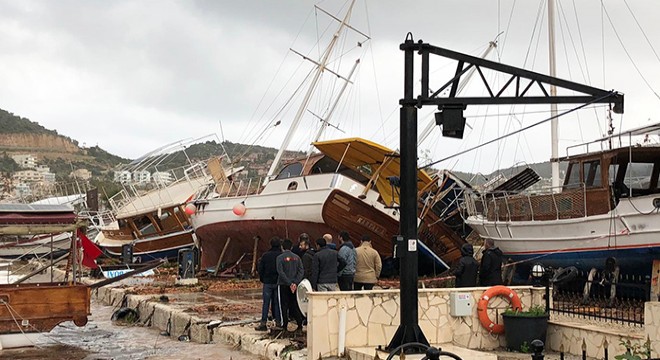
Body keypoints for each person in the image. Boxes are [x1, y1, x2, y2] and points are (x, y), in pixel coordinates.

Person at [276, 239, 304, 332]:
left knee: (283, 305)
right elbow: (301, 271)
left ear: (282, 247)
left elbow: (280, 272)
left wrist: (289, 283)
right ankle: (299, 323)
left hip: (283, 284)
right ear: (291, 247)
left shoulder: (279, 258)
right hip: (295, 286)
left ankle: (284, 325)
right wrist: (295, 283)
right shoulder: (297, 258)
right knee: (294, 304)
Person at [255, 237, 282, 331]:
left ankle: (263, 323)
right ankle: (278, 322)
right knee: (277, 303)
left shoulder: (265, 255)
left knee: (266, 303)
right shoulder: (281, 255)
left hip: (267, 282)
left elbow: (260, 268)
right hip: (278, 282)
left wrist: (262, 279)